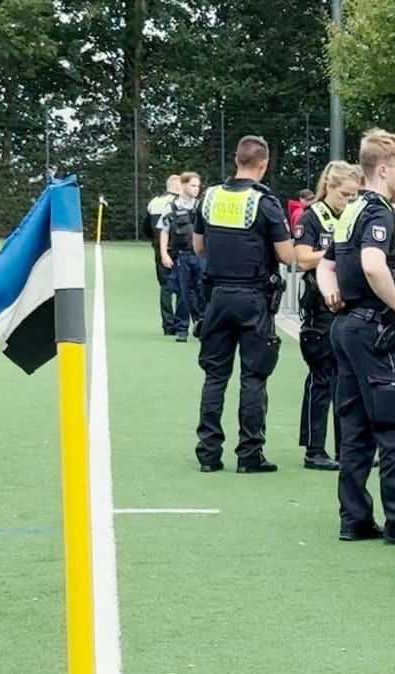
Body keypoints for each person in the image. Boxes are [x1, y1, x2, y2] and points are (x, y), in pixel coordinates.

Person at [321, 130, 395, 544]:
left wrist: (329, 287)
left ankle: (355, 517)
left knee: (355, 425)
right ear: (383, 169)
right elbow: (375, 265)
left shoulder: (351, 209)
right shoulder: (379, 213)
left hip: (347, 327)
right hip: (377, 328)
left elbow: (326, 263)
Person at [192, 136, 294, 473]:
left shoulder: (209, 197)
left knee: (215, 376)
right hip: (253, 298)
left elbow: (198, 247)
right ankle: (249, 455)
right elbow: (285, 255)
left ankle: (208, 454)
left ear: (236, 159)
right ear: (263, 163)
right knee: (254, 377)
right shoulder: (266, 203)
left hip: (218, 295)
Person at [292, 160, 362, 471]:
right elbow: (302, 258)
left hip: (348, 308)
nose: (349, 200)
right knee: (321, 381)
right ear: (329, 187)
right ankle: (314, 449)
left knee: (346, 382)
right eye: (345, 193)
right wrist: (340, 251)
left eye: (353, 195)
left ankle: (346, 448)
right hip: (321, 311)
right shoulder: (312, 217)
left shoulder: (352, 215)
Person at [159, 172, 204, 342]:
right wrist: (164, 253)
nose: (196, 189)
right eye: (193, 185)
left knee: (202, 292)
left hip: (200, 256)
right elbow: (163, 230)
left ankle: (202, 325)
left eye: (198, 186)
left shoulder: (201, 206)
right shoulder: (171, 207)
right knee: (183, 293)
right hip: (182, 255)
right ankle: (181, 329)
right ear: (183, 185)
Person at [147, 175, 182, 335]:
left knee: (165, 287)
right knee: (184, 287)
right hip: (178, 249)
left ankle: (168, 325)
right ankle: (181, 323)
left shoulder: (153, 202)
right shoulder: (180, 203)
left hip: (159, 250)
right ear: (176, 187)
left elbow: (146, 228)